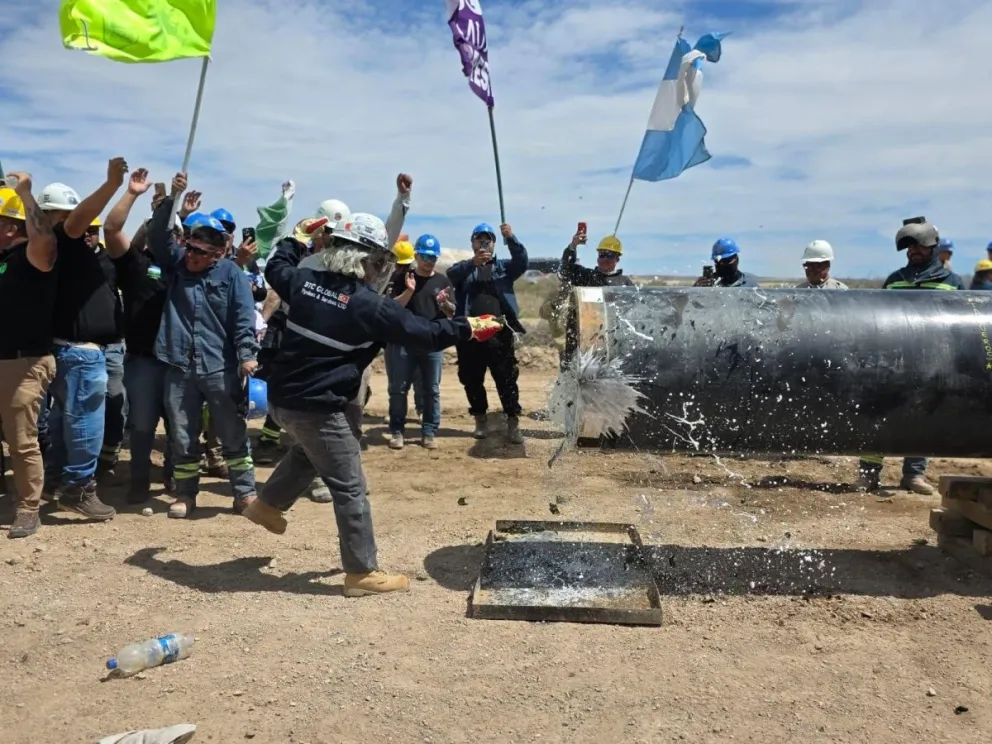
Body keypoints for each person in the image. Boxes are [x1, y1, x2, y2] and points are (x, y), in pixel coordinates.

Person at [244, 212, 502, 596]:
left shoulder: (303, 280)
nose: (381, 269)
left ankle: (266, 506)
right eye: (378, 261)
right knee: (350, 486)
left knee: (311, 450)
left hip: (284, 400)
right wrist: (469, 327)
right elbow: (426, 334)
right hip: (317, 405)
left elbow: (278, 264)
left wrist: (297, 238)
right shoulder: (367, 305)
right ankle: (361, 573)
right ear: (360, 259)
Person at [148, 174, 259, 519]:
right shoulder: (177, 266)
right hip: (179, 367)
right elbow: (158, 237)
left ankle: (244, 494)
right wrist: (173, 199)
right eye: (190, 248)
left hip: (219, 368)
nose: (192, 255)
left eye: (200, 252)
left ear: (217, 254)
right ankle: (185, 495)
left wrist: (246, 358)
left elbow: (243, 320)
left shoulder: (232, 275)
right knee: (181, 435)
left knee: (232, 433)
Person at [42, 160, 128, 521]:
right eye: (66, 214)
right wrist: (111, 185)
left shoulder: (60, 249)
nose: (74, 220)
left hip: (69, 349)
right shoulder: (63, 239)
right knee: (84, 422)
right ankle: (77, 489)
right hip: (79, 353)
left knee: (65, 418)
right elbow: (81, 220)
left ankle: (58, 480)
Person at [857, 217, 964, 495]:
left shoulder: (951, 283)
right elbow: (877, 320)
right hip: (894, 361)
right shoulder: (894, 281)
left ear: (933, 247)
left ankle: (913, 475)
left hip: (933, 363)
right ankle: (869, 473)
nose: (913, 250)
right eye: (910, 246)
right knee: (879, 413)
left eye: (919, 245)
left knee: (924, 416)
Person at [101, 167, 180, 503]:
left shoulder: (186, 270)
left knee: (180, 426)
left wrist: (175, 202)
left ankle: (176, 478)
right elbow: (112, 228)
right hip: (143, 361)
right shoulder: (134, 262)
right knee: (143, 426)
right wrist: (132, 193)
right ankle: (139, 481)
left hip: (179, 362)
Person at [0, 175, 57, 538]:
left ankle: (28, 509)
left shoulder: (31, 256)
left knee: (21, 440)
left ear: (8, 227)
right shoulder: (3, 260)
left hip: (24, 362)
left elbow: (47, 239)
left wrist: (24, 195)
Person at [447, 222, 529, 443]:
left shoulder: (504, 268)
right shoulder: (464, 269)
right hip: (470, 334)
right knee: (471, 379)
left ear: (494, 243)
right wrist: (472, 263)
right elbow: (450, 275)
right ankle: (480, 419)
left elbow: (522, 262)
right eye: (479, 239)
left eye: (488, 239)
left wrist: (511, 238)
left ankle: (513, 423)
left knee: (507, 380)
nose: (483, 243)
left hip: (499, 334)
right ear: (472, 242)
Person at [386, 234, 454, 450]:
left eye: (433, 257)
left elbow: (452, 313)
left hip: (432, 343)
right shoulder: (403, 278)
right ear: (416, 255)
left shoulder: (443, 281)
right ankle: (397, 431)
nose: (429, 261)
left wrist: (444, 305)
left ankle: (429, 431)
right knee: (398, 389)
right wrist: (409, 291)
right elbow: (391, 308)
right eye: (425, 256)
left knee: (431, 389)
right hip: (404, 342)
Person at [556, 231, 634, 369]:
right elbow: (565, 269)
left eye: (609, 255)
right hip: (581, 342)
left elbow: (633, 314)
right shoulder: (585, 276)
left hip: (612, 344)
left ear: (617, 259)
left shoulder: (625, 284)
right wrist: (573, 246)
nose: (604, 259)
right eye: (601, 255)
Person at [694, 238, 760, 287]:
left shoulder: (750, 282)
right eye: (718, 261)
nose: (721, 265)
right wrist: (695, 290)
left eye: (726, 261)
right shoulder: (706, 284)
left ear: (736, 259)